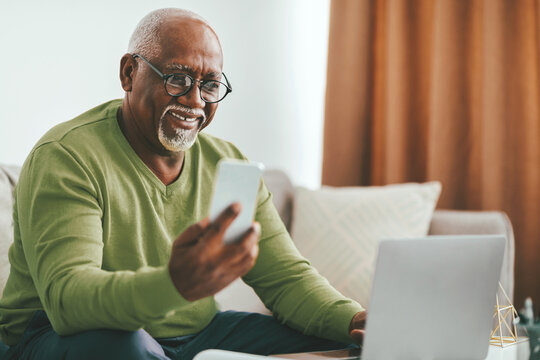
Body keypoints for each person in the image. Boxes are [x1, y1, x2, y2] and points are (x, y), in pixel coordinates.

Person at [0, 8, 366, 360]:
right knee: (122, 347)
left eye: (209, 85)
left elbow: (285, 277)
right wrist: (174, 284)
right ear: (129, 73)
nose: (195, 101)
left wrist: (354, 321)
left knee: (341, 343)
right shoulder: (67, 155)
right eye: (177, 78)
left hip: (194, 335)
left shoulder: (226, 163)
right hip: (56, 337)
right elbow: (70, 303)